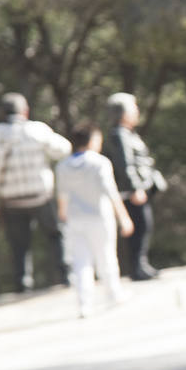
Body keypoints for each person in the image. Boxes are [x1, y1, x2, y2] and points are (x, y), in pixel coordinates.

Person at [0, 93, 71, 291]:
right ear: (25, 111)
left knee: (19, 245)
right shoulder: (36, 130)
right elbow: (64, 149)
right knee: (55, 235)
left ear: (2, 113)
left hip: (10, 200)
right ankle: (65, 276)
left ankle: (23, 284)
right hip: (40, 197)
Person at [56, 123, 134, 318]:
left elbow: (62, 195)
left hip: (75, 219)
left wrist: (63, 214)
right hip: (99, 216)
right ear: (92, 140)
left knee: (81, 262)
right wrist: (124, 217)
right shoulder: (100, 163)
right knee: (106, 255)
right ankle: (114, 294)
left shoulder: (63, 166)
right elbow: (112, 193)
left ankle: (84, 303)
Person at [102, 92, 164, 281]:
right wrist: (135, 188)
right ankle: (137, 267)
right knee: (139, 227)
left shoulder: (127, 133)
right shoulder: (119, 134)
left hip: (137, 189)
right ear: (123, 113)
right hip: (131, 192)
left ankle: (141, 265)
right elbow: (125, 164)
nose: (137, 112)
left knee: (144, 226)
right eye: (133, 108)